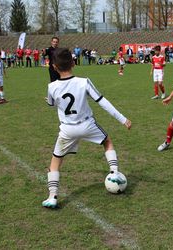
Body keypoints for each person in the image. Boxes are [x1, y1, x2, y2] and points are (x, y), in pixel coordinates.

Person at [42, 48, 132, 208]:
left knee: (56, 161)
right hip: (87, 124)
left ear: (54, 67)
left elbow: (51, 103)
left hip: (67, 129)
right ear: (73, 63)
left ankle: (52, 196)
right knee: (107, 142)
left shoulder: (52, 87)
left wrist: (51, 100)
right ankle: (114, 173)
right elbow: (102, 101)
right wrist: (122, 118)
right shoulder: (84, 82)